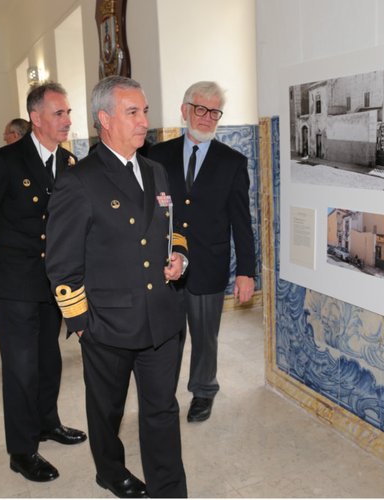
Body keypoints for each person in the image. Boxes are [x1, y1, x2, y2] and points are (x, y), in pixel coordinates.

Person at [46, 76, 189, 498]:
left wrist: (180, 257)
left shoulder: (156, 170)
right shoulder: (80, 181)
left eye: (145, 111)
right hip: (108, 324)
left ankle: (170, 491)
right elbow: (61, 264)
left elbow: (172, 230)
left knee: (162, 410)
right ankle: (109, 470)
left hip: (162, 317)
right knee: (107, 409)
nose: (144, 120)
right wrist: (82, 323)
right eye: (133, 112)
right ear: (105, 120)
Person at [0, 82, 86, 483]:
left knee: (49, 360)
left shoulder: (69, 162)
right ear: (36, 118)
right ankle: (21, 450)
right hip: (15, 283)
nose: (67, 120)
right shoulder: (5, 162)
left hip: (52, 284)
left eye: (68, 113)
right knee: (20, 369)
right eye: (59, 113)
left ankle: (47, 423)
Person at [148, 81, 256, 423]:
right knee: (166, 334)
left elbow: (242, 221)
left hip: (210, 263)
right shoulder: (157, 156)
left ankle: (203, 390)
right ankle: (162, 393)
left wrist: (246, 272)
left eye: (214, 112)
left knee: (205, 335)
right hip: (165, 264)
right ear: (185, 111)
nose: (207, 118)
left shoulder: (233, 162)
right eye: (200, 109)